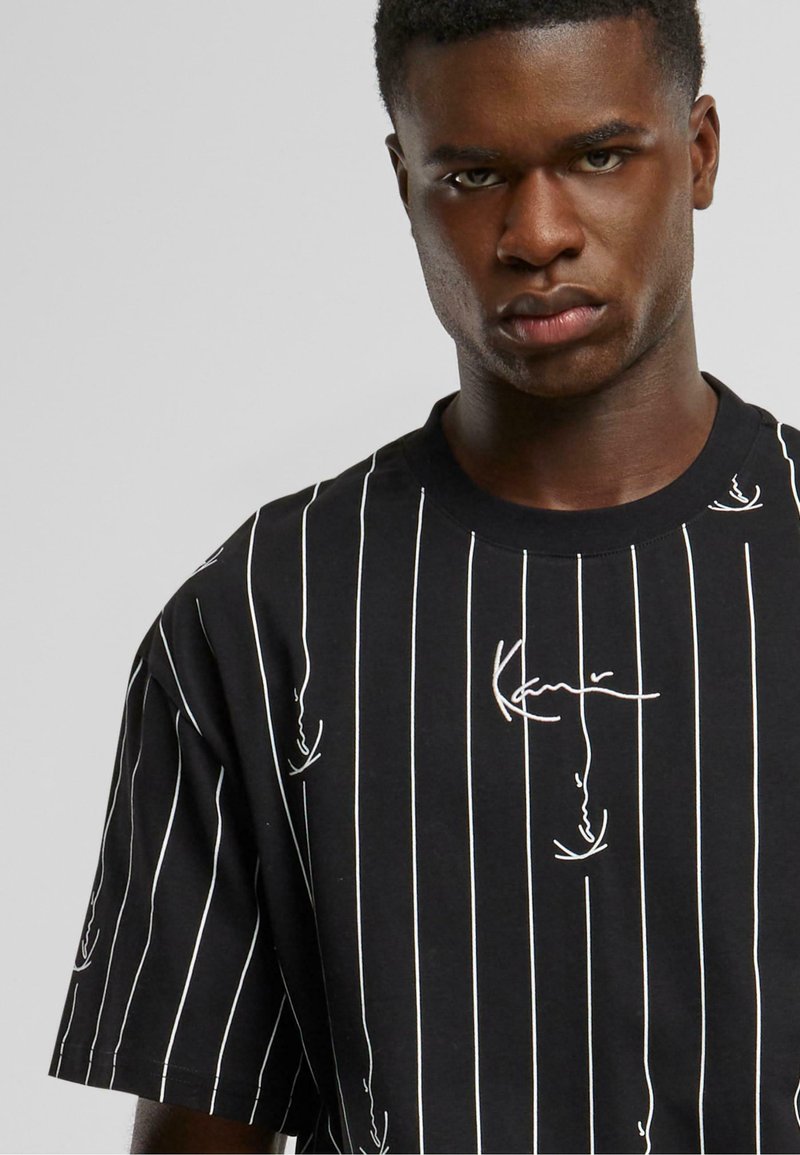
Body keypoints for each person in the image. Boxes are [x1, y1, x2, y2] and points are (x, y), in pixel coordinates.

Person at [48, 1, 800, 1152]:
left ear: (696, 152)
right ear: (405, 184)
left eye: (598, 157)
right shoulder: (260, 618)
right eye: (472, 176)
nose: (535, 233)